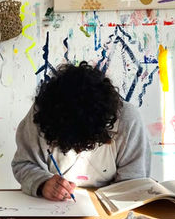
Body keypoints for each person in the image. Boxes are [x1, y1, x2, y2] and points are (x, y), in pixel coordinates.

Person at [11, 61, 151, 201]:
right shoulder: (43, 115)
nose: (79, 150)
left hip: (111, 203)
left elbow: (133, 184)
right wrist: (42, 183)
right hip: (52, 205)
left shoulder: (128, 120)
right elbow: (23, 164)